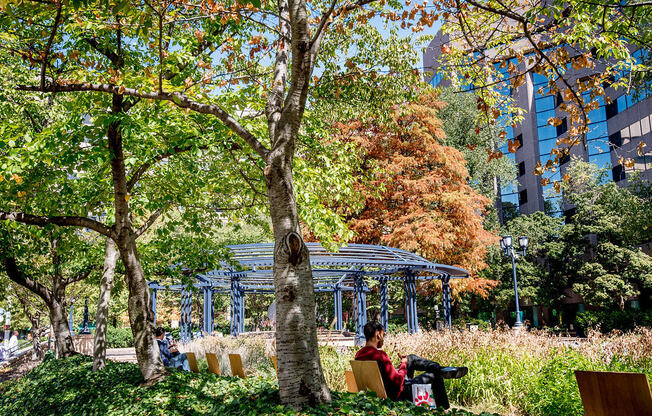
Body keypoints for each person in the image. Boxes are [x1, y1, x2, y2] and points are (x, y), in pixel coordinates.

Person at [354, 321, 468, 409]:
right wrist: (403, 365)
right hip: (397, 394)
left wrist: (404, 363)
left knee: (411, 358)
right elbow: (398, 381)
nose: (383, 338)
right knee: (434, 376)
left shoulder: (359, 355)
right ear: (378, 334)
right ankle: (445, 409)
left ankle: (441, 369)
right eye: (383, 335)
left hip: (383, 390)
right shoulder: (380, 355)